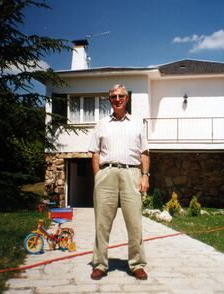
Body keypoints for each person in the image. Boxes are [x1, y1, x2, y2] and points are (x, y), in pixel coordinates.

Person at [88, 84, 150, 280]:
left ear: (127, 98)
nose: (117, 99)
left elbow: (145, 153)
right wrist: (98, 176)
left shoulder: (138, 123)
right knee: (102, 224)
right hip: (107, 174)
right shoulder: (101, 124)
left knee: (135, 224)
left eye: (120, 96)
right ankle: (99, 263)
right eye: (113, 96)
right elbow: (95, 153)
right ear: (109, 100)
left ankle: (137, 264)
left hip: (132, 173)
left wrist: (145, 176)